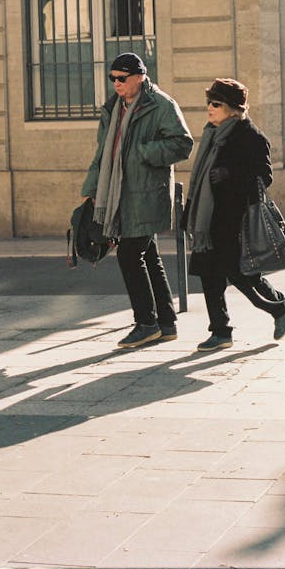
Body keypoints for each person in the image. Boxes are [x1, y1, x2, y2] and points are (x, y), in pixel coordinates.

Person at [82, 52, 194, 349]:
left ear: (140, 77)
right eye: (113, 78)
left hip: (145, 194)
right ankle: (166, 324)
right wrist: (91, 188)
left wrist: (144, 152)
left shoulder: (161, 105)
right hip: (119, 195)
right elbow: (102, 152)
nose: (116, 84)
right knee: (149, 256)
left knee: (129, 255)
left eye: (122, 78)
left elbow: (183, 144)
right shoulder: (113, 108)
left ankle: (146, 323)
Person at [184, 78, 285, 351]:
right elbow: (199, 180)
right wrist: (190, 211)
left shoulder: (251, 137)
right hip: (209, 217)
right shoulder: (212, 133)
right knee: (209, 275)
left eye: (216, 104)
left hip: (236, 219)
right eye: (208, 102)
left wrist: (230, 174)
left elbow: (263, 176)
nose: (209, 108)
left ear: (233, 109)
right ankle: (221, 331)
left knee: (243, 274)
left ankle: (279, 307)